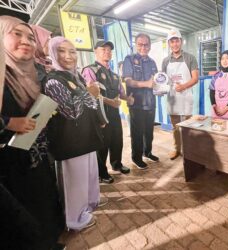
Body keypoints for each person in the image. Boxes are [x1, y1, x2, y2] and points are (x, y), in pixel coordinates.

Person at [0, 16, 64, 249]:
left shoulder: (36, 73)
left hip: (37, 154)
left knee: (44, 198)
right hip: (9, 165)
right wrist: (7, 122)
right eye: (16, 34)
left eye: (30, 37)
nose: (25, 41)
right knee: (20, 213)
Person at [45, 36, 107, 231]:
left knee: (88, 176)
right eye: (62, 51)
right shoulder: (53, 81)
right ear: (53, 54)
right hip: (69, 141)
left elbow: (90, 103)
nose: (68, 56)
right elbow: (70, 112)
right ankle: (74, 221)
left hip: (85, 136)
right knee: (74, 184)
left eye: (72, 51)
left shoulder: (75, 76)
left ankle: (88, 206)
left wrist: (98, 115)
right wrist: (90, 93)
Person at [82, 41, 131, 184]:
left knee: (117, 140)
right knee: (102, 144)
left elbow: (121, 94)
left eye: (109, 50)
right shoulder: (90, 70)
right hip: (99, 115)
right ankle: (101, 172)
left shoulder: (114, 75)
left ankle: (117, 164)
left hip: (114, 114)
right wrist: (110, 102)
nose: (107, 52)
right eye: (103, 49)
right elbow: (90, 94)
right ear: (95, 51)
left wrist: (129, 98)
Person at [123, 33, 159, 169]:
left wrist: (159, 89)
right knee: (137, 132)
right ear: (136, 45)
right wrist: (146, 84)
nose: (143, 47)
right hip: (136, 103)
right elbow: (128, 81)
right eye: (140, 44)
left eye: (146, 44)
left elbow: (154, 82)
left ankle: (147, 152)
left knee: (149, 131)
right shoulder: (129, 60)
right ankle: (136, 157)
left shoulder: (152, 62)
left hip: (150, 102)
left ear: (149, 46)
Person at [162, 28, 199, 160]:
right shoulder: (166, 61)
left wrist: (183, 86)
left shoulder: (190, 58)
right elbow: (163, 80)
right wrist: (160, 89)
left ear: (181, 42)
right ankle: (177, 149)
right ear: (169, 44)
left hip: (186, 97)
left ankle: (188, 151)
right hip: (172, 98)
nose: (175, 44)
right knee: (175, 127)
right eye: (172, 42)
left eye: (176, 41)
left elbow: (195, 78)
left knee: (188, 126)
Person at [30, 25, 52, 89]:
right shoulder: (30, 67)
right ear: (36, 41)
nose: (50, 44)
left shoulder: (49, 63)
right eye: (47, 40)